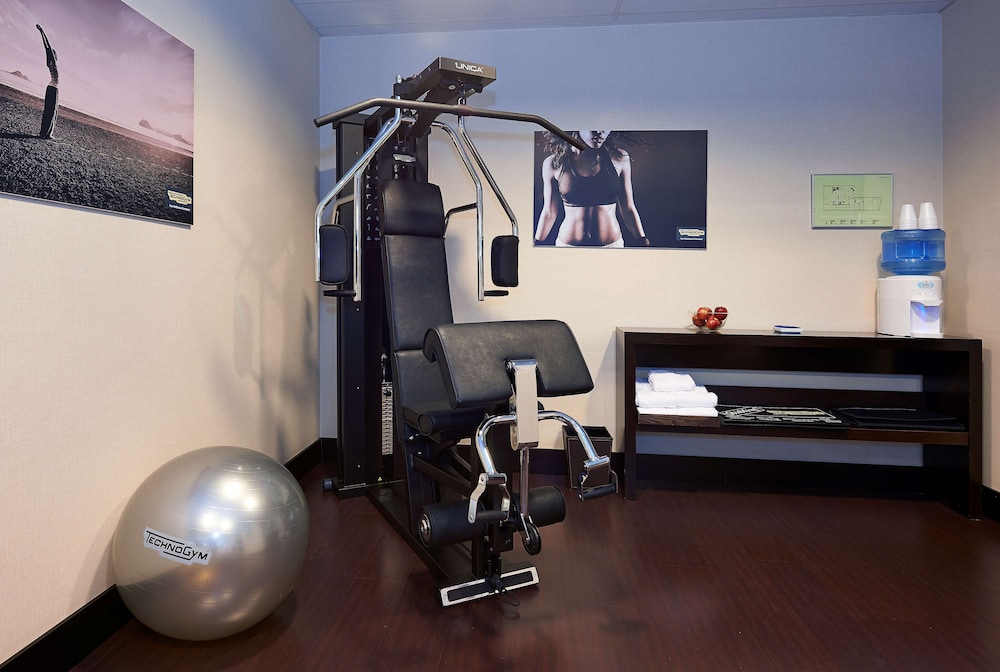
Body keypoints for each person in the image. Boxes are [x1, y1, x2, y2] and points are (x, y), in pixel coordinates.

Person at [535, 130, 651, 247]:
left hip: (611, 248)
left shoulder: (619, 158)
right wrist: (537, 243)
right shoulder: (553, 163)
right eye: (593, 126)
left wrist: (642, 241)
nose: (600, 131)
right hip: (568, 248)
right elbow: (549, 212)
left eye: (606, 127)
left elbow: (628, 208)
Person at [36, 24, 59, 139]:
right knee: (50, 111)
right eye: (54, 54)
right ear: (52, 56)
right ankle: (45, 133)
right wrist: (42, 32)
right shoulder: (52, 63)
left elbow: (49, 49)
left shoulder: (54, 65)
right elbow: (47, 47)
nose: (56, 55)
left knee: (53, 112)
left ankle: (47, 133)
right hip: (52, 89)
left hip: (54, 89)